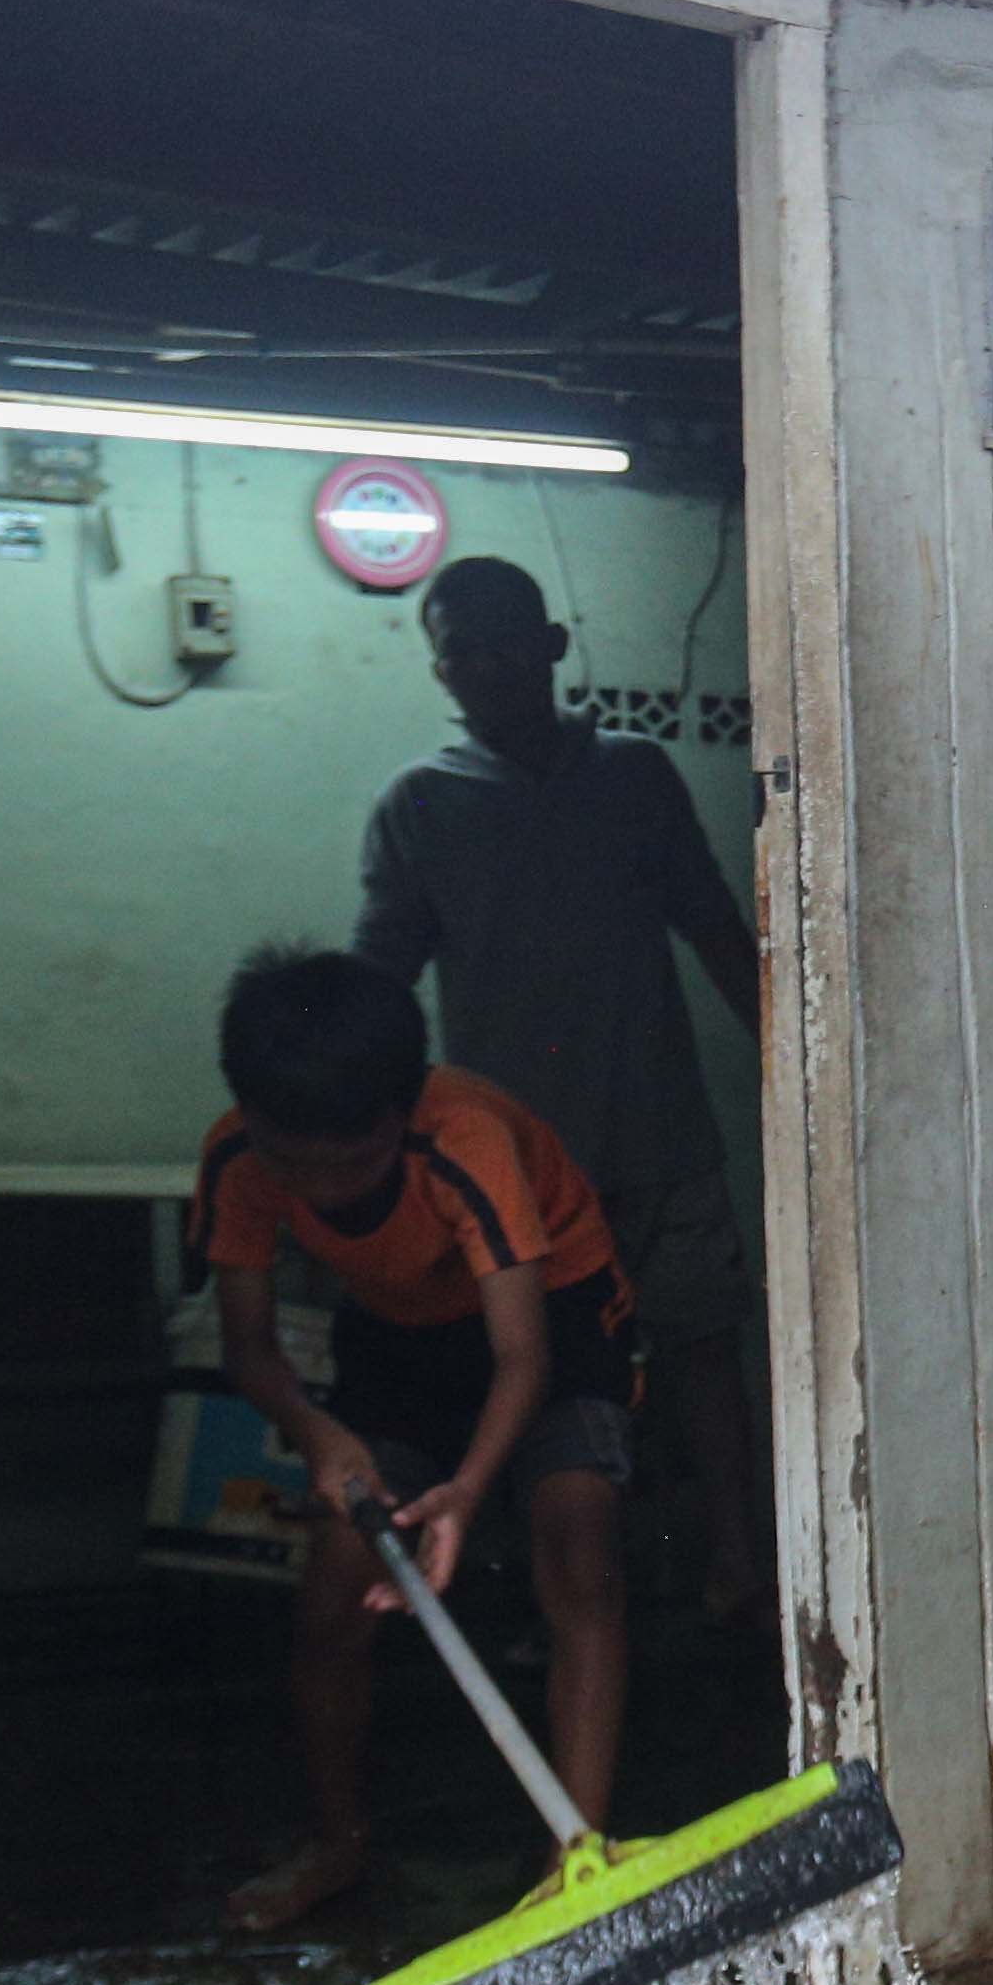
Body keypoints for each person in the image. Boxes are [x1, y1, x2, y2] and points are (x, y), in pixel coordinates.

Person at [351, 555, 773, 1626]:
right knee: (528, 1382)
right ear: (440, 672)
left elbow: (717, 930)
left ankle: (743, 1572)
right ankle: (542, 1611)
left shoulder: (634, 777)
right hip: (515, 1178)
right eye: (461, 651)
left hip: (659, 1134)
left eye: (505, 640)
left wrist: (807, 1072)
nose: (486, 666)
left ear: (551, 645)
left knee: (704, 1353)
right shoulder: (420, 806)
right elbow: (377, 989)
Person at [196, 949, 637, 1932]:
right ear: (250, 1118)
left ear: (401, 1115)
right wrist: (318, 1434)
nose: (320, 1188)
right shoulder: (237, 1158)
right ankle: (337, 1843)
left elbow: (521, 1358)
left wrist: (467, 1490)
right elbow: (250, 1348)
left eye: (350, 1164)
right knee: (335, 1572)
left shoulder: (465, 1139)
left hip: (552, 1317)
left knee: (579, 1539)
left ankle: (575, 1869)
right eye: (291, 1163)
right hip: (399, 1338)